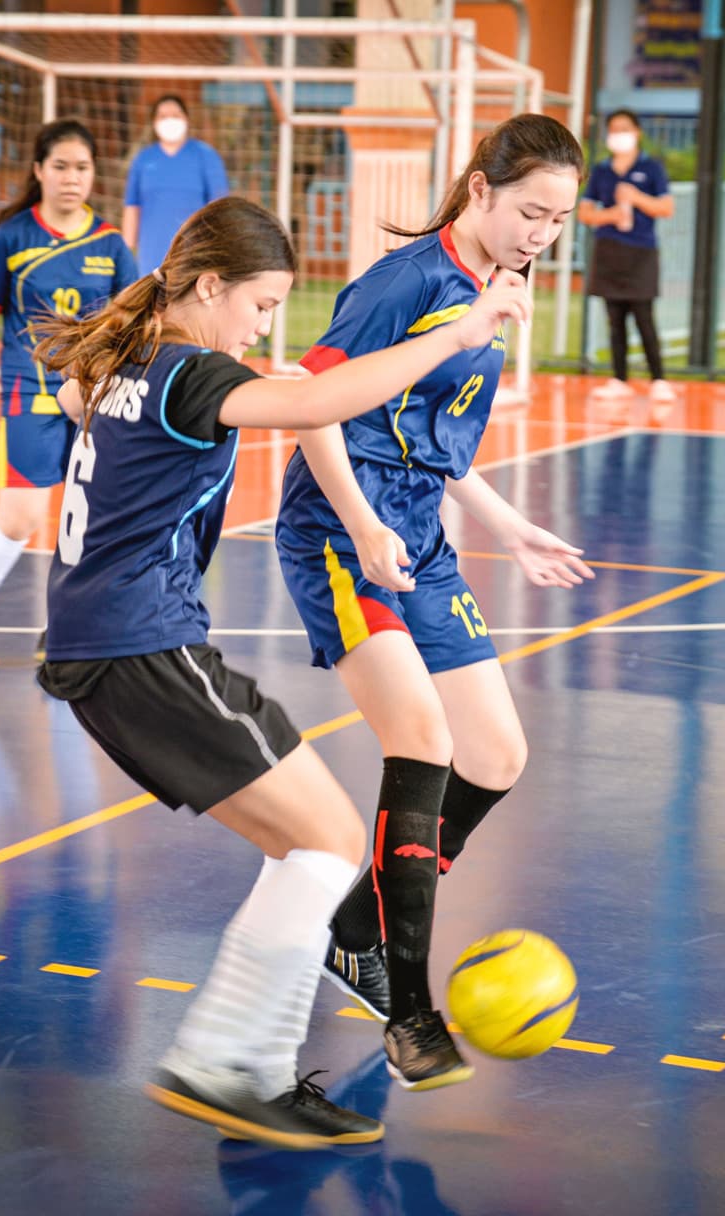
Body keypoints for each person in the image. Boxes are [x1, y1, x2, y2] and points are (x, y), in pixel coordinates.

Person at [32, 195, 531, 1148]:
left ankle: (246, 1067)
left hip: (99, 645)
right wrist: (459, 331)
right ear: (210, 287)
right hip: (146, 649)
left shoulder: (118, 360)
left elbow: (71, 397)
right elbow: (316, 402)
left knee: (313, 845)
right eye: (260, 306)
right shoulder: (187, 371)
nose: (266, 327)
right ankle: (224, 1063)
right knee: (331, 843)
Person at [273, 113, 595, 1093]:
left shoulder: (500, 286)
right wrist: (365, 527)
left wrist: (508, 526)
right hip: (340, 535)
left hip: (419, 540)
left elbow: (437, 440)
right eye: (532, 212)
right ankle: (406, 1011)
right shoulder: (407, 282)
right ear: (481, 190)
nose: (543, 234)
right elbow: (307, 398)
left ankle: (358, 925)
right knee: (423, 739)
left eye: (558, 221)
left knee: (496, 753)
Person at [0, 119, 138, 669]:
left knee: (87, 515)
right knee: (22, 516)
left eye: (81, 167)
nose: (71, 178)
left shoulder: (109, 243)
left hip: (92, 397)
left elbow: (130, 326)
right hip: (27, 392)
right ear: (38, 171)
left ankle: (62, 626)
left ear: (93, 174)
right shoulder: (11, 238)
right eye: (60, 167)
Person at [577, 109, 675, 400]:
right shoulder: (602, 170)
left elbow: (666, 208)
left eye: (625, 128)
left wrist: (636, 197)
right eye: (614, 129)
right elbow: (585, 212)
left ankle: (658, 379)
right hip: (609, 250)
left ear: (637, 132)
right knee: (614, 318)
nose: (619, 134)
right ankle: (619, 379)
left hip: (642, 251)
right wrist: (610, 215)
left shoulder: (652, 168)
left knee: (644, 316)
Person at [122, 94, 229, 278]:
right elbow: (132, 207)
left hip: (194, 253)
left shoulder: (205, 156)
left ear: (186, 119)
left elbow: (219, 206)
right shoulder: (143, 159)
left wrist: (217, 248)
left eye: (176, 114)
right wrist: (125, 253)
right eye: (163, 116)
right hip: (151, 255)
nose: (170, 120)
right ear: (154, 123)